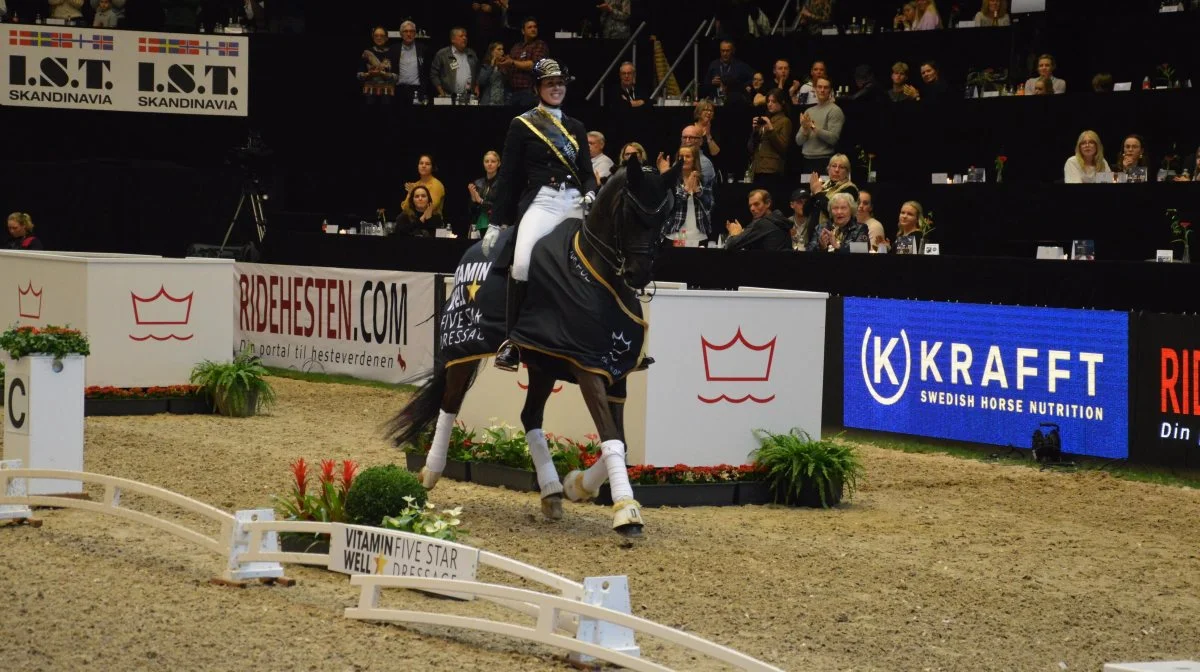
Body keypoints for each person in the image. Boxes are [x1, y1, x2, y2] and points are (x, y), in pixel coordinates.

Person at [484, 58, 597, 371]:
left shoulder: (576, 127)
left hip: (575, 200)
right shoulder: (522, 125)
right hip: (544, 201)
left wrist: (591, 192)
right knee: (521, 262)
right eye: (550, 83)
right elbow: (507, 176)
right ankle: (513, 343)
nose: (557, 88)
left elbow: (588, 173)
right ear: (538, 88)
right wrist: (496, 221)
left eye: (560, 83)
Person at [750, 89, 793, 209]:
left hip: (772, 169)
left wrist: (770, 130)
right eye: (768, 101)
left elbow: (783, 147)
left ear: (782, 103)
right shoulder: (765, 120)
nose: (769, 104)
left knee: (768, 203)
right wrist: (754, 131)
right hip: (758, 168)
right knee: (757, 201)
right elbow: (751, 147)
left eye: (773, 101)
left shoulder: (785, 121)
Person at [663, 145, 713, 245]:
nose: (684, 159)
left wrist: (698, 192)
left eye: (688, 156)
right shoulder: (672, 180)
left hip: (698, 232)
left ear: (694, 159)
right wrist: (685, 192)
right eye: (681, 156)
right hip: (675, 231)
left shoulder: (702, 179)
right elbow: (668, 206)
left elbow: (710, 205)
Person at [795, 76, 843, 174]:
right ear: (814, 89)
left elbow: (833, 139)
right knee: (806, 189)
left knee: (822, 189)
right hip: (806, 160)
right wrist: (805, 129)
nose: (822, 90)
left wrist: (812, 127)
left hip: (824, 161)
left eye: (825, 87)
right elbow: (798, 141)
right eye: (819, 87)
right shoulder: (809, 111)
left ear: (830, 90)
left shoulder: (835, 110)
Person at [499, 17, 549, 109]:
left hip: (529, 92)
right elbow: (509, 67)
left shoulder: (539, 45)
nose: (533, 29)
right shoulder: (516, 47)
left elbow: (534, 65)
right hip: (512, 92)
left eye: (535, 27)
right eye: (529, 27)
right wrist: (502, 63)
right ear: (523, 31)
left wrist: (512, 62)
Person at [805, 153, 858, 239]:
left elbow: (834, 211)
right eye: (834, 166)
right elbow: (806, 211)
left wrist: (818, 193)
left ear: (847, 172)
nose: (837, 170)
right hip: (812, 237)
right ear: (828, 169)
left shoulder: (850, 189)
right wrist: (812, 193)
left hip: (834, 237)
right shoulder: (823, 186)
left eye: (841, 167)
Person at [724, 189, 792, 251]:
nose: (752, 209)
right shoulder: (779, 220)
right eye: (750, 206)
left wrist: (734, 233)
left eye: (756, 204)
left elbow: (730, 246)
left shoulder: (762, 224)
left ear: (768, 203)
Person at [430, 27, 480, 102]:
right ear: (452, 39)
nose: (464, 38)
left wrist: (476, 86)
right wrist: (441, 92)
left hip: (468, 97)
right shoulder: (443, 54)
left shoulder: (472, 54)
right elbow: (433, 74)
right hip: (449, 97)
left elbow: (478, 73)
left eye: (465, 36)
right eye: (461, 36)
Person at [359, 26, 399, 103]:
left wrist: (383, 74)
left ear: (386, 38)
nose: (379, 38)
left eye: (382, 36)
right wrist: (368, 74)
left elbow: (397, 77)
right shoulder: (366, 53)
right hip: (370, 95)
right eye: (376, 35)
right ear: (373, 37)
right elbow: (359, 75)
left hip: (387, 95)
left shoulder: (393, 53)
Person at [396, 21, 432, 104]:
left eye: (412, 31)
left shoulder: (423, 49)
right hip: (398, 91)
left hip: (418, 91)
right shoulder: (394, 49)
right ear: (401, 34)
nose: (409, 34)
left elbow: (427, 71)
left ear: (415, 33)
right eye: (406, 31)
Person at [468, 150, 501, 238]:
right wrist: (473, 200)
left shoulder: (502, 183)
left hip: (496, 225)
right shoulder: (478, 183)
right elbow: (471, 211)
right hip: (479, 225)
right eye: (487, 161)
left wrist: (481, 201)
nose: (489, 164)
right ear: (483, 164)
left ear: (499, 164)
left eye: (493, 161)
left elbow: (500, 207)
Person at [477, 41, 510, 105]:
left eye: (502, 49)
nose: (502, 51)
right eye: (499, 49)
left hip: (502, 102)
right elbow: (481, 81)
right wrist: (491, 66)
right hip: (488, 102)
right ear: (492, 52)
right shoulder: (485, 66)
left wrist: (505, 68)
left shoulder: (505, 66)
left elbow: (509, 83)